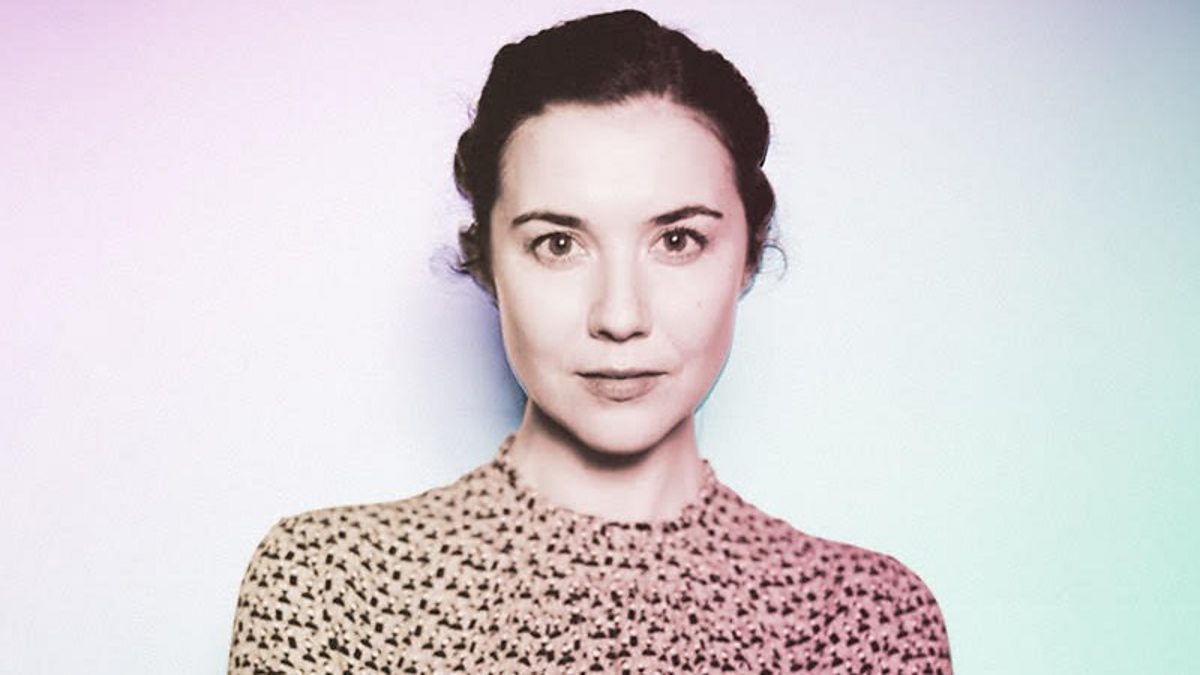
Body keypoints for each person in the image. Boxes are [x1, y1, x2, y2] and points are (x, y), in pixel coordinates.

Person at [227, 10, 952, 673]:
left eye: (678, 240)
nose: (620, 315)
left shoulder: (863, 618)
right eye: (558, 243)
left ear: (749, 254)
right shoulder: (334, 584)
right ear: (489, 261)